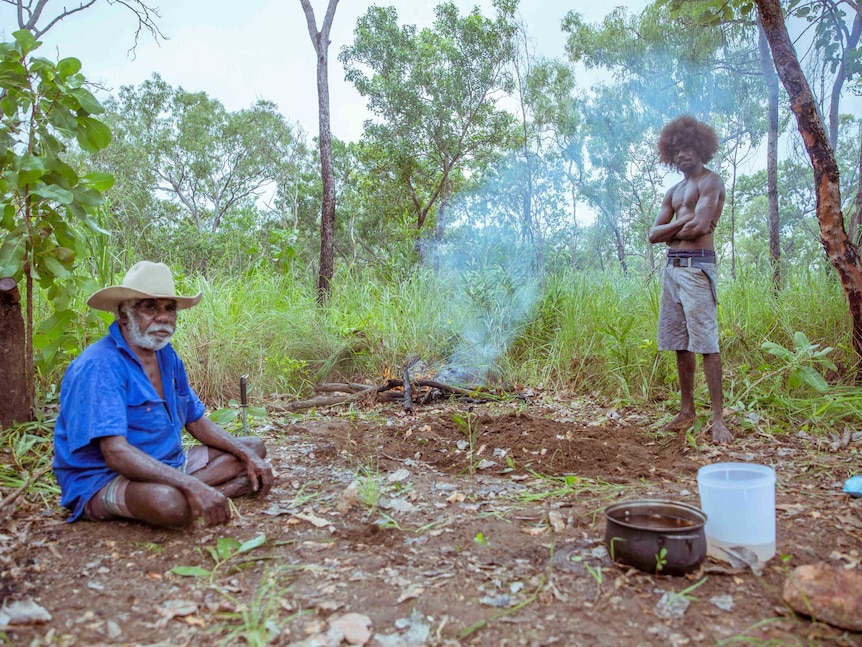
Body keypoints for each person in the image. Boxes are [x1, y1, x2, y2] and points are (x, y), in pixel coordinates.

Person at [53, 261, 274, 527]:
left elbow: (195, 420)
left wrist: (245, 456)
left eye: (170, 308)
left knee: (252, 448)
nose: (163, 317)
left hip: (166, 464)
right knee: (169, 503)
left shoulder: (166, 356)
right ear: (124, 314)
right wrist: (190, 483)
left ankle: (199, 493)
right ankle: (200, 493)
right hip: (103, 478)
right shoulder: (100, 365)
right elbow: (116, 454)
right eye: (149, 307)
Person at [648, 115, 733, 444]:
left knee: (707, 344)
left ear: (701, 150)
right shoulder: (674, 191)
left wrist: (675, 227)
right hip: (673, 270)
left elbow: (699, 228)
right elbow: (653, 235)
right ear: (671, 155)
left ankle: (718, 419)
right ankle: (687, 411)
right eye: (677, 150)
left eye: (688, 148)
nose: (683, 154)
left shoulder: (710, 182)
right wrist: (679, 225)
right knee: (680, 343)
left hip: (698, 268)